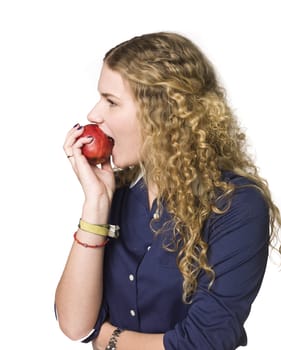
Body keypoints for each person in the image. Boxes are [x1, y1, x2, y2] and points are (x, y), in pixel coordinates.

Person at [55, 32, 281, 350]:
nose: (94, 115)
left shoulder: (236, 206)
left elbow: (204, 342)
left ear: (162, 115)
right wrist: (95, 203)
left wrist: (110, 338)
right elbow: (76, 325)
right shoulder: (117, 195)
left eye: (111, 102)